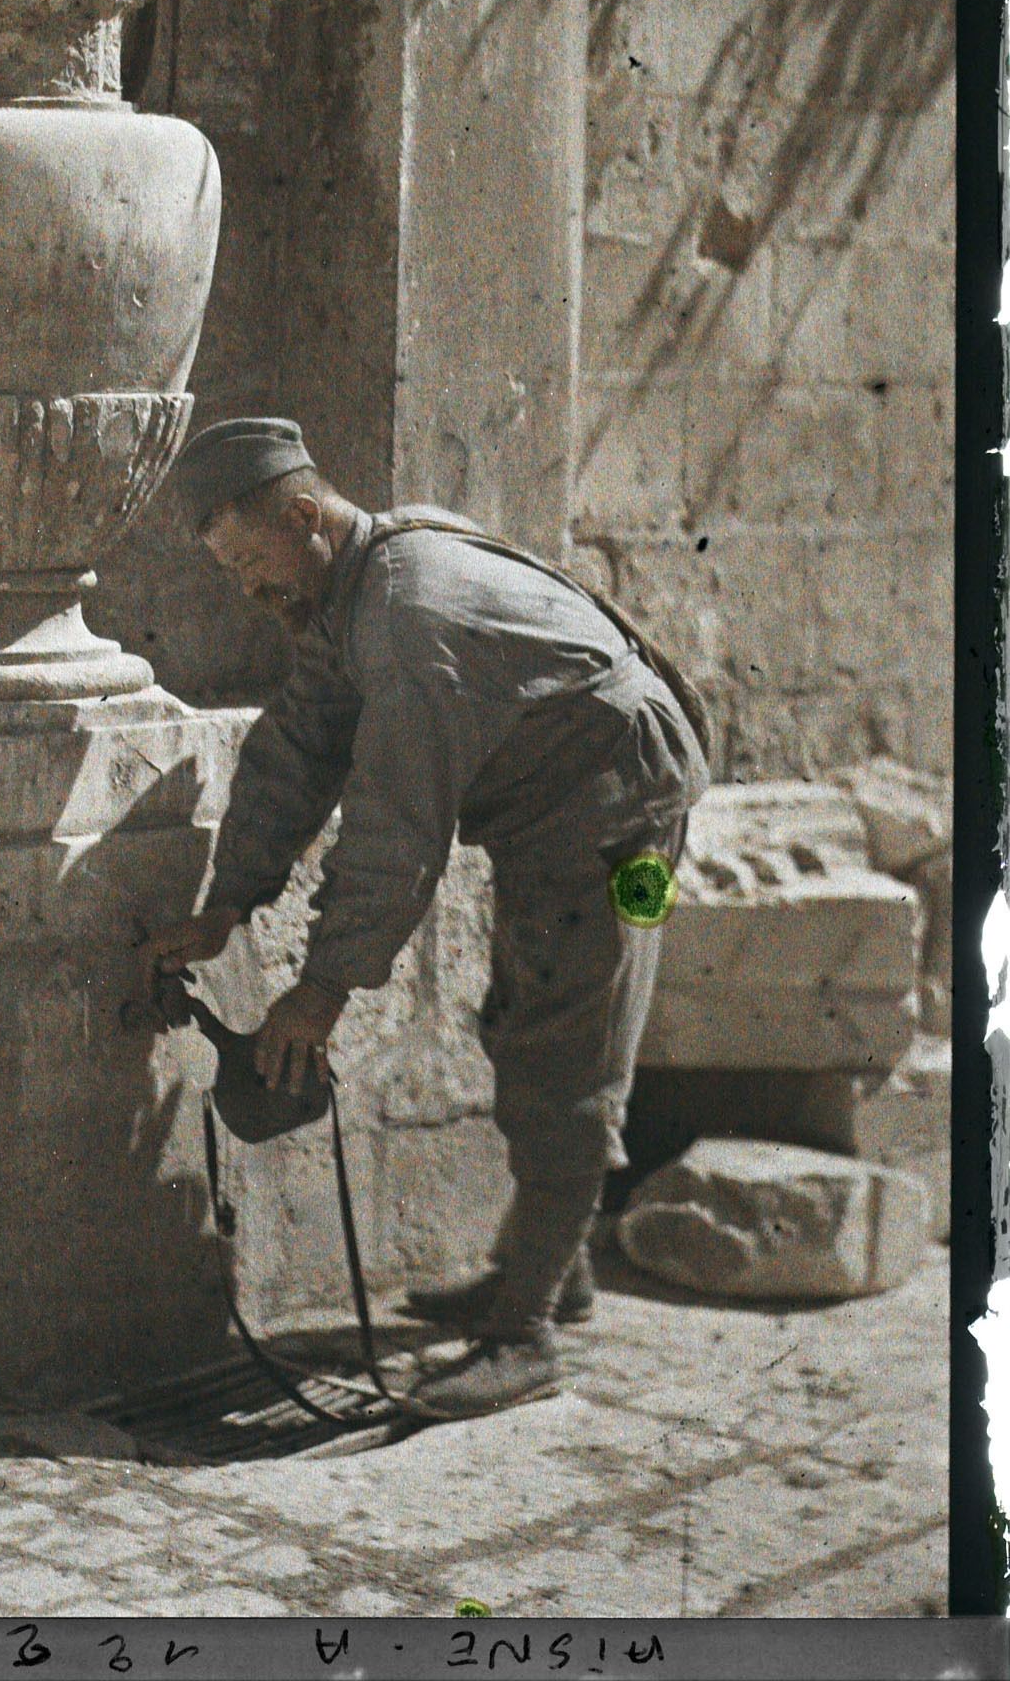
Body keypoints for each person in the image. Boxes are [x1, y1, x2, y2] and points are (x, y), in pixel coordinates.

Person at [138, 417, 710, 1419]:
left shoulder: (407, 616)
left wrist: (319, 991)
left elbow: (396, 825)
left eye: (247, 559)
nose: (245, 587)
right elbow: (298, 746)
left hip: (628, 821)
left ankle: (523, 1332)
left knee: (570, 1050)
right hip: (555, 814)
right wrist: (231, 899)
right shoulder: (348, 587)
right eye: (227, 569)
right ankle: (553, 1269)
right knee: (525, 1020)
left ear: (305, 515)